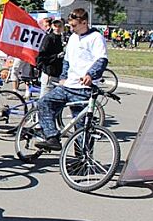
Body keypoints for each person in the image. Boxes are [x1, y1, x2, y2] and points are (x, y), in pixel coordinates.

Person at [35, 8, 108, 151]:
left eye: (74, 26)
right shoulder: (73, 38)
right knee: (44, 102)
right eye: (70, 26)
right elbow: (67, 61)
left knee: (81, 126)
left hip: (84, 88)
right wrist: (63, 77)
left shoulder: (95, 37)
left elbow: (102, 59)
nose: (72, 29)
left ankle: (81, 161)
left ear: (84, 23)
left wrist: (90, 75)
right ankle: (52, 137)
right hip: (68, 85)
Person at [36, 19, 65, 98]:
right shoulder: (49, 38)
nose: (57, 28)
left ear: (63, 27)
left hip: (59, 75)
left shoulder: (64, 38)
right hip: (49, 74)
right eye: (55, 26)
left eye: (59, 26)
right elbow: (42, 56)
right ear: (52, 26)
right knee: (44, 100)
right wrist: (56, 56)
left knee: (57, 102)